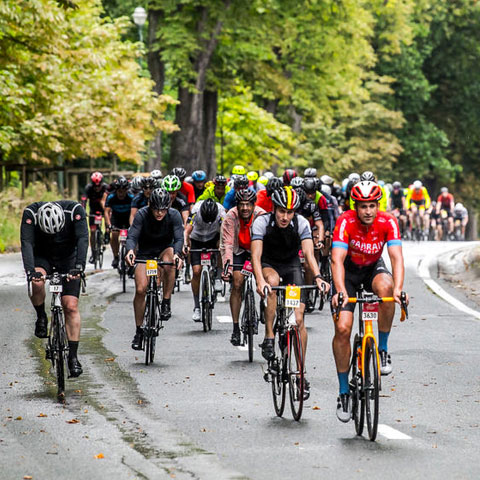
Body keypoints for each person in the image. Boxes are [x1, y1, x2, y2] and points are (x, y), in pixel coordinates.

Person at [331, 181, 408, 422]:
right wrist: (341, 290)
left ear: (378, 205)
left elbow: (396, 258)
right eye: (363, 206)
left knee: (386, 289)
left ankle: (382, 349)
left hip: (373, 268)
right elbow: (336, 259)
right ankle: (344, 392)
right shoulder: (345, 221)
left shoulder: (388, 221)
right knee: (343, 328)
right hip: (349, 273)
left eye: (372, 206)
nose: (368, 211)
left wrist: (398, 289)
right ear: (356, 206)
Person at [251, 186, 330, 400]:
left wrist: (318, 277)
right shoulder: (261, 222)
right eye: (281, 211)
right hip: (269, 265)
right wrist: (260, 281)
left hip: (292, 266)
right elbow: (256, 257)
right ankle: (269, 335)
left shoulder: (302, 223)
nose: (285, 216)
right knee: (273, 283)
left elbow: (308, 254)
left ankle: (301, 374)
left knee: (297, 320)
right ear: (274, 209)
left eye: (290, 212)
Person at [20, 201, 88, 377]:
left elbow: (83, 239)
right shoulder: (31, 214)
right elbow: (26, 243)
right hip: (42, 257)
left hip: (68, 258)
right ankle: (41, 316)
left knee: (70, 305)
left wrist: (79, 266)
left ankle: (73, 357)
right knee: (37, 282)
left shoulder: (74, 211)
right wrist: (30, 271)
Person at [125, 188, 184, 349]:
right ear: (150, 205)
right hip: (145, 253)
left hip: (165, 249)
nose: (159, 213)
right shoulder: (142, 214)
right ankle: (138, 331)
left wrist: (178, 254)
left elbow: (179, 237)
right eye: (156, 209)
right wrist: (130, 251)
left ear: (168, 206)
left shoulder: (174, 215)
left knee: (171, 260)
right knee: (140, 289)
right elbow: (132, 236)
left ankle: (166, 300)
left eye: (163, 209)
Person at [220, 189, 266, 346]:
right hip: (238, 250)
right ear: (237, 206)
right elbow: (226, 244)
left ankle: (263, 304)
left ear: (254, 205)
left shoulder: (262, 215)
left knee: (268, 279)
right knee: (237, 283)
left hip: (258, 249)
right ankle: (235, 328)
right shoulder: (230, 217)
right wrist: (227, 267)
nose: (245, 208)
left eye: (248, 204)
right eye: (241, 205)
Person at [184, 199, 226, 321]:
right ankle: (197, 306)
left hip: (213, 237)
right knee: (196, 271)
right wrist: (185, 245)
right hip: (197, 238)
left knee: (221, 248)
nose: (208, 223)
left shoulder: (221, 211)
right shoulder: (195, 211)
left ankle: (217, 277)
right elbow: (186, 231)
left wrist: (223, 245)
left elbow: (225, 230)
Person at [104, 176, 133, 269]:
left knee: (132, 236)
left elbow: (134, 212)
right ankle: (116, 256)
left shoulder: (131, 197)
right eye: (119, 191)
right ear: (116, 190)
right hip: (116, 218)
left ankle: (131, 255)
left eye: (123, 190)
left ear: (126, 190)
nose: (121, 193)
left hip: (128, 217)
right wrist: (109, 225)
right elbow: (106, 212)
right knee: (114, 234)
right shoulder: (111, 197)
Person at [83, 171, 108, 263]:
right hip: (93, 210)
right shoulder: (88, 188)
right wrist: (83, 210)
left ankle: (106, 235)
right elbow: (84, 200)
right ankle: (93, 253)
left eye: (99, 186)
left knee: (107, 219)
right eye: (95, 186)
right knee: (93, 231)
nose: (97, 188)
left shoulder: (106, 188)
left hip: (103, 209)